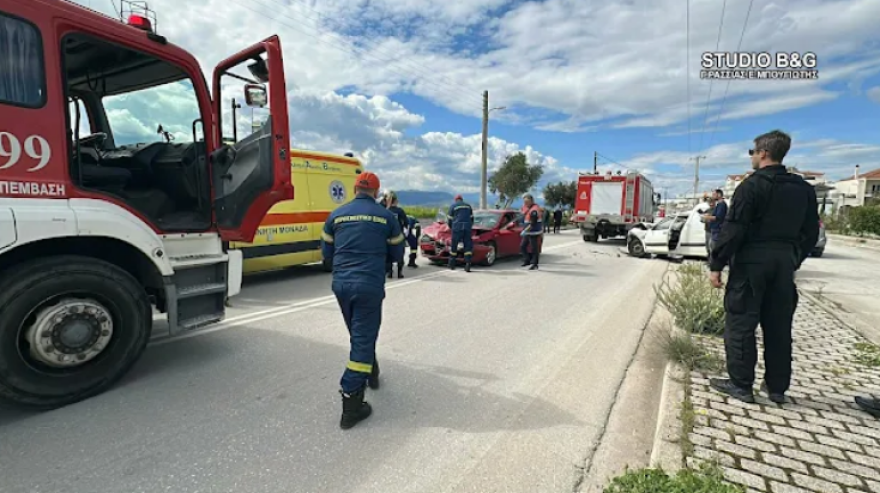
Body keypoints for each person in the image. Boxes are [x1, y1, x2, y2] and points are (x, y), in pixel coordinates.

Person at [707, 130, 819, 404]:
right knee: (779, 327)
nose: (752, 157)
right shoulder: (803, 188)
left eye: (753, 152)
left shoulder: (751, 186)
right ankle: (777, 388)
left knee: (741, 323)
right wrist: (793, 258)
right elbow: (810, 233)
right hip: (783, 265)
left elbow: (734, 229)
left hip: (751, 264)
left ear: (763, 153)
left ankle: (741, 385)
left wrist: (717, 263)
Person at [321, 171, 405, 429]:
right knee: (362, 337)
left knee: (359, 334)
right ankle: (351, 403)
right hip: (368, 283)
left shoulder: (336, 215)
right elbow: (397, 253)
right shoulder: (386, 216)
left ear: (354, 188)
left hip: (341, 284)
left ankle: (372, 371)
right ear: (377, 192)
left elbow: (326, 253)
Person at [446, 194, 474, 272]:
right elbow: (472, 218)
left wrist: (452, 227)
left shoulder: (453, 206)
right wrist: (469, 226)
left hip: (457, 228)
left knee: (454, 246)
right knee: (468, 246)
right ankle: (468, 264)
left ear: (456, 200)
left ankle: (452, 264)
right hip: (467, 228)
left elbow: (449, 220)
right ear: (462, 199)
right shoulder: (468, 206)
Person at [384, 191, 409, 279]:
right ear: (396, 201)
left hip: (388, 238)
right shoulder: (400, 211)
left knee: (388, 255)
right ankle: (399, 273)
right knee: (400, 256)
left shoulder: (385, 211)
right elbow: (406, 223)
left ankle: (390, 273)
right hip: (398, 238)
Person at [520, 193, 543, 270]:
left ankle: (535, 264)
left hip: (534, 231)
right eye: (524, 202)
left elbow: (533, 223)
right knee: (522, 246)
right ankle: (527, 260)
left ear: (532, 201)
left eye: (527, 202)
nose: (525, 203)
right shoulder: (525, 207)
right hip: (527, 231)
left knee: (534, 248)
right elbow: (523, 216)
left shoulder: (534, 210)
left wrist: (524, 230)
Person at [703, 189, 728, 255]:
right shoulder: (719, 204)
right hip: (714, 230)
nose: (713, 196)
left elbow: (718, 217)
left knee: (715, 249)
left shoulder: (722, 205)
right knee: (711, 247)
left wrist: (707, 217)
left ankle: (715, 263)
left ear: (719, 195)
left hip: (718, 230)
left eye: (714, 194)